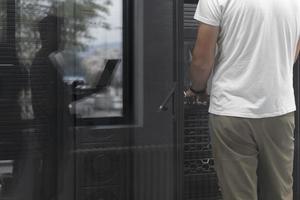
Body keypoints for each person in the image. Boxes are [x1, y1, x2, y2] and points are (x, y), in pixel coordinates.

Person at [186, 0, 300, 199]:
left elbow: (202, 59)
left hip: (231, 110)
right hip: (279, 109)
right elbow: (296, 42)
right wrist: (278, 69)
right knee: (280, 193)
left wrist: (197, 89)